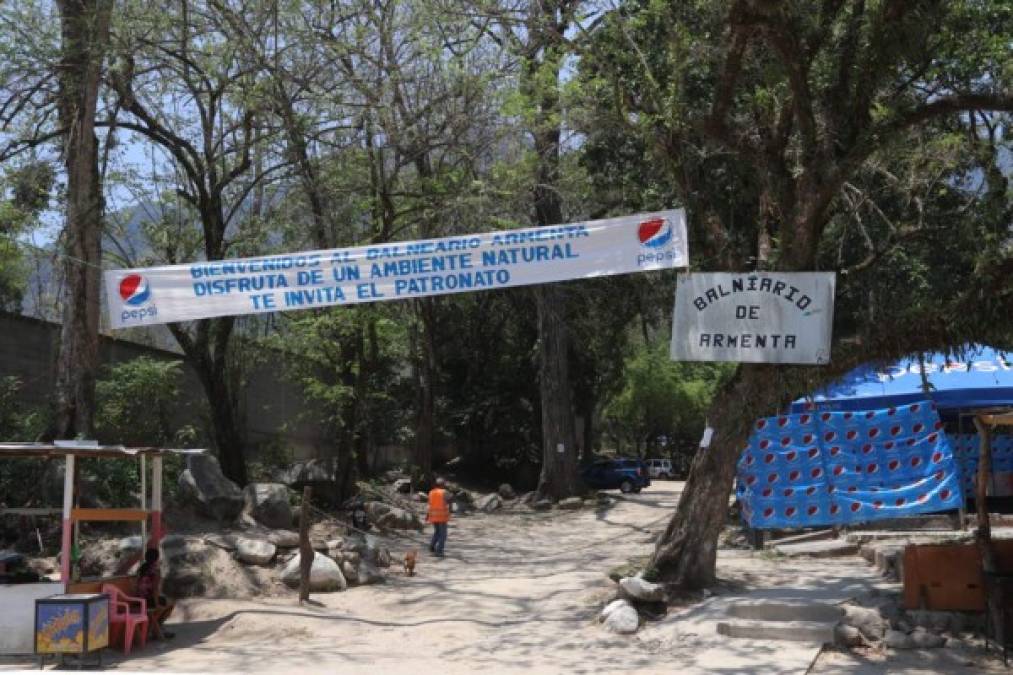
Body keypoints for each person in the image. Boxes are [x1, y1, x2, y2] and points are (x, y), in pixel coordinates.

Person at [137, 548, 175, 639]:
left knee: (164, 602)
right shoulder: (155, 570)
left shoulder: (142, 568)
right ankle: (157, 627)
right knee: (170, 603)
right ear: (157, 559)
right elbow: (155, 589)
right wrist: (157, 603)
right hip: (147, 600)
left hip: (138, 599)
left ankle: (156, 628)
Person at [426, 478, 451, 557]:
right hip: (442, 516)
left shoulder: (431, 492)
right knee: (443, 535)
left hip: (433, 516)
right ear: (442, 484)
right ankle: (439, 551)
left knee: (437, 532)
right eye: (444, 484)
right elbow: (450, 499)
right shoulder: (444, 492)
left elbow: (429, 504)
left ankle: (431, 547)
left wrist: (427, 515)